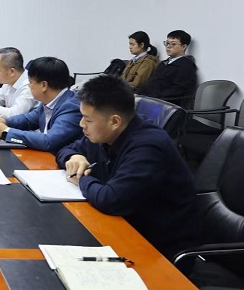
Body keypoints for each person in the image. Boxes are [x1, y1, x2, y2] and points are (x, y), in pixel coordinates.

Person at [59, 75, 199, 259]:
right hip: (124, 225)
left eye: (88, 119)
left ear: (114, 121)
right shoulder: (105, 134)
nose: (81, 124)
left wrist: (82, 178)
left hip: (157, 247)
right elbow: (65, 149)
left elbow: (111, 199)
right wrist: (74, 156)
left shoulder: (148, 146)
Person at [0, 57, 82, 152]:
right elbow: (29, 119)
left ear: (44, 85)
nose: (29, 86)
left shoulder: (71, 107)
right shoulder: (49, 101)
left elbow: (49, 141)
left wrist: (6, 131)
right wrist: (5, 121)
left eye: (31, 82)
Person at [135, 30, 197, 103]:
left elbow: (179, 91)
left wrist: (150, 97)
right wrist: (137, 93)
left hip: (166, 103)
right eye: (167, 43)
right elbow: (150, 83)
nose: (168, 46)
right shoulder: (163, 64)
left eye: (173, 44)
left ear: (183, 47)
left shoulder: (186, 66)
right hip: (151, 99)